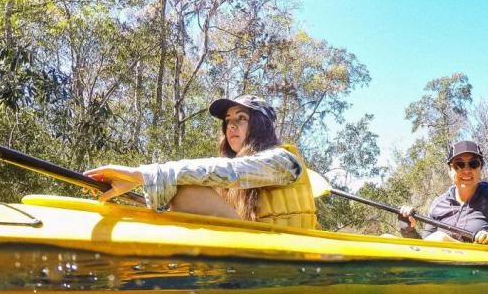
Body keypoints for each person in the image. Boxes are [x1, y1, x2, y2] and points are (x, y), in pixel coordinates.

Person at [83, 95, 317, 228]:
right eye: (228, 120)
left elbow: (232, 171)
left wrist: (141, 175)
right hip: (254, 249)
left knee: (187, 189)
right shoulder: (232, 170)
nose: (231, 125)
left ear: (260, 125)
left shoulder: (284, 160)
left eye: (241, 118)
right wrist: (134, 187)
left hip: (288, 253)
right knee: (184, 185)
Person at [398, 140, 488, 247]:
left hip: (482, 272)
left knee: (440, 238)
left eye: (473, 164)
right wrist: (408, 230)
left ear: (480, 168)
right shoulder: (438, 204)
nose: (466, 170)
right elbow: (423, 247)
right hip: (442, 273)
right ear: (450, 171)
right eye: (458, 164)